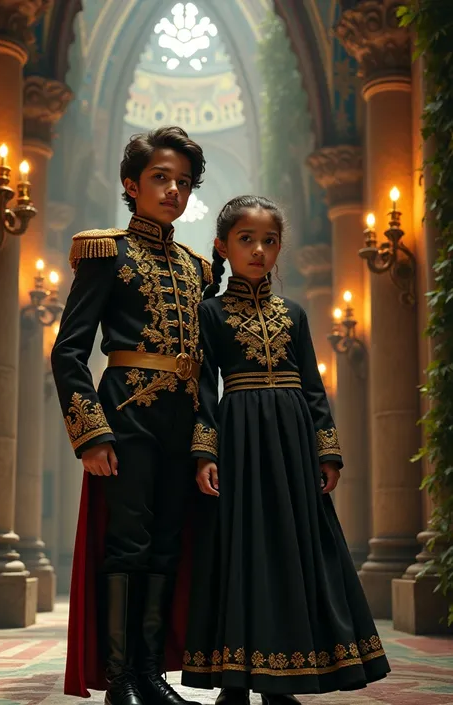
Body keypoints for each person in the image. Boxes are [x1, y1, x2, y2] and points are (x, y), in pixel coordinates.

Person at [181, 195, 390, 704]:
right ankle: (235, 681)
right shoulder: (209, 313)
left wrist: (328, 451)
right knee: (242, 549)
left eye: (269, 241)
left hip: (294, 442)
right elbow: (204, 388)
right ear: (222, 246)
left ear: (279, 248)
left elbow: (315, 388)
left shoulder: (293, 314)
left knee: (295, 550)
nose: (258, 250)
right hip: (241, 440)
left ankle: (285, 680)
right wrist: (206, 452)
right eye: (246, 240)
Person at [51, 126, 212, 705]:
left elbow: (207, 364)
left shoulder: (199, 269)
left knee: (168, 545)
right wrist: (90, 434)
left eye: (184, 183)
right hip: (125, 415)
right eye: (160, 178)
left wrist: (205, 440)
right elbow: (69, 351)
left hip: (183, 418)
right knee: (128, 544)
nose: (173, 190)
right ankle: (121, 677)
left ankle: (151, 672)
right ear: (132, 185)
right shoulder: (106, 251)